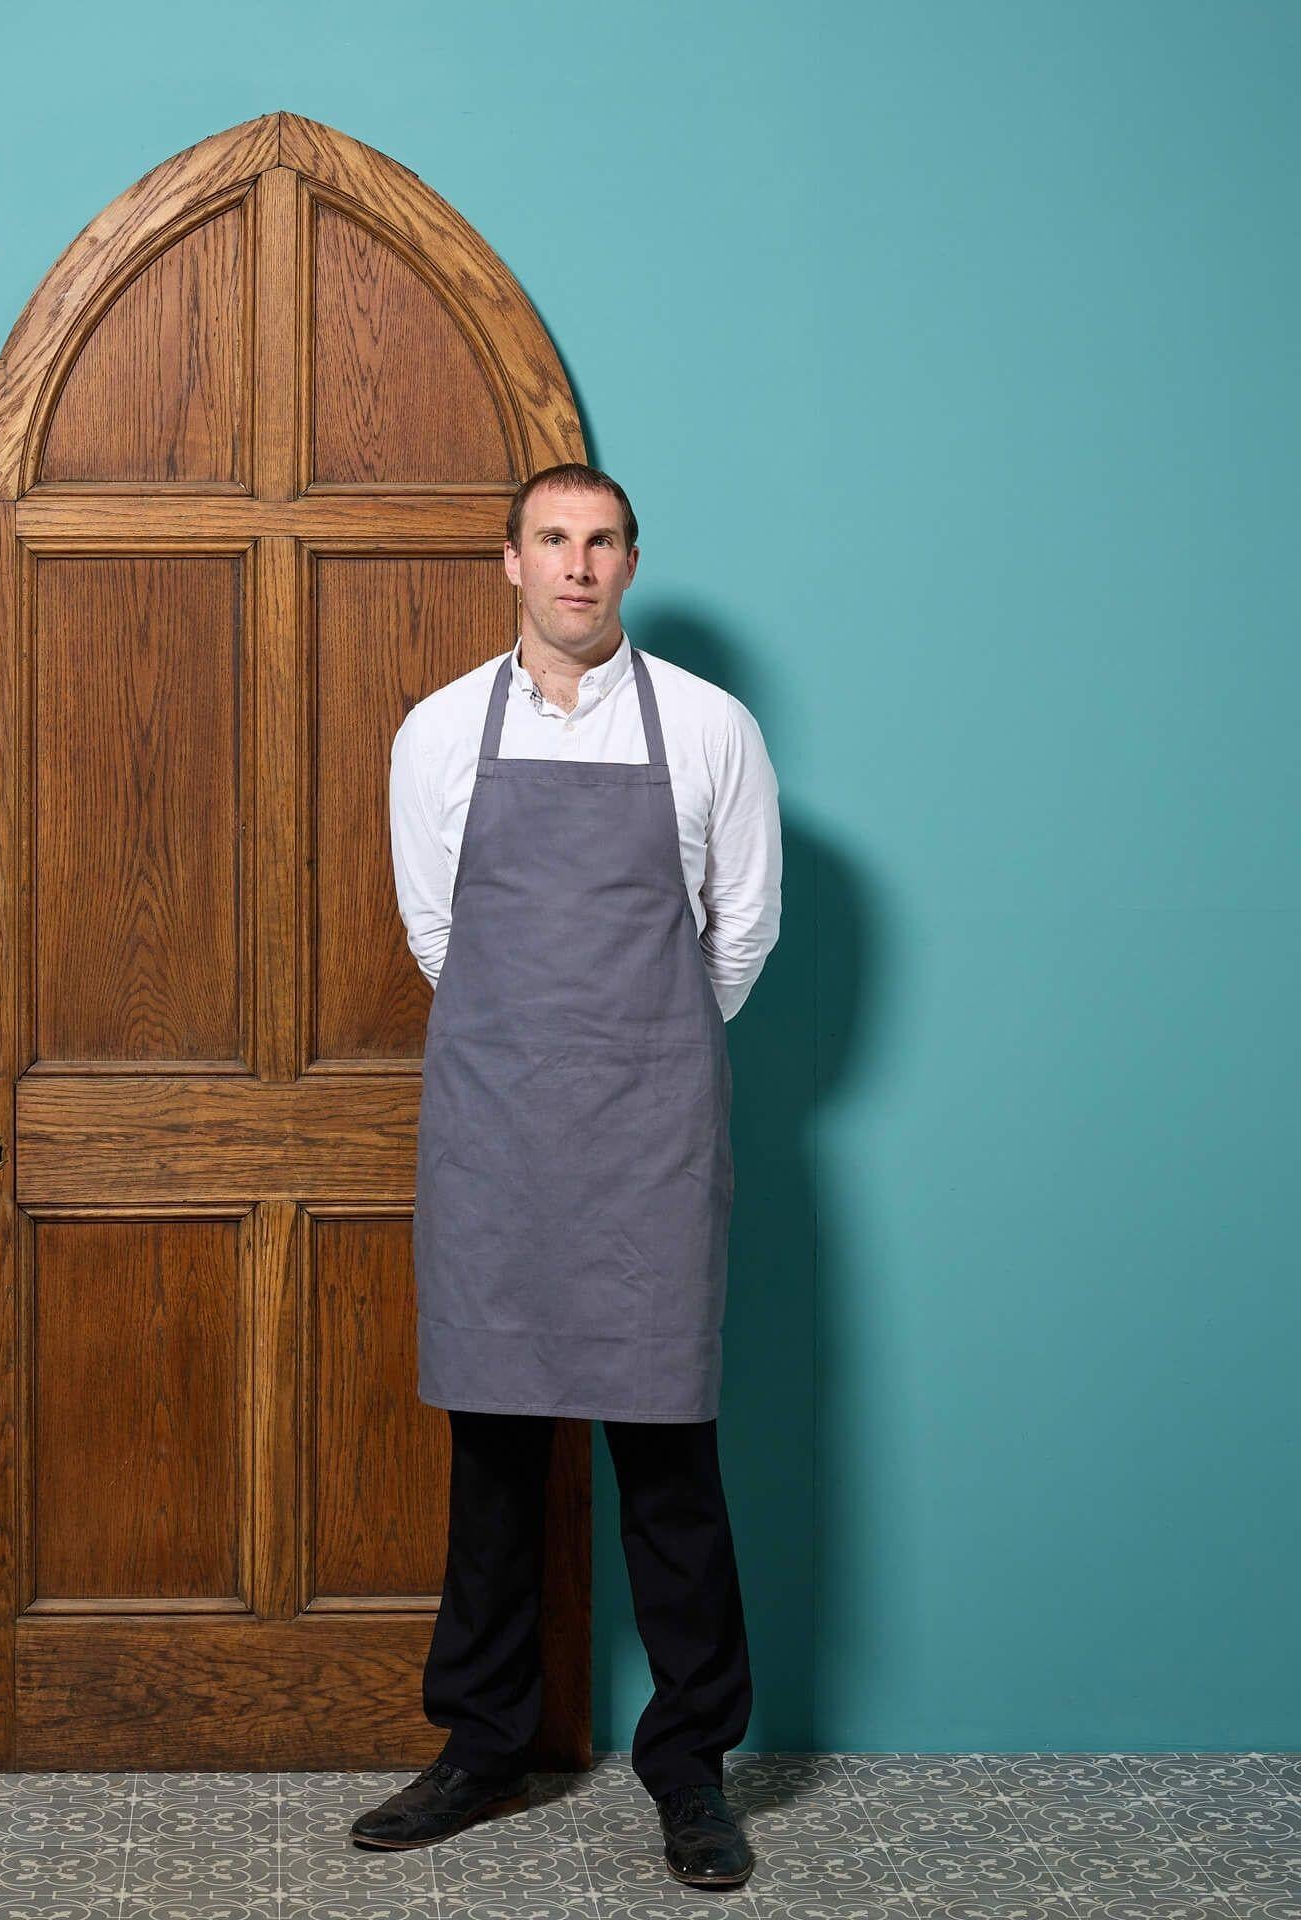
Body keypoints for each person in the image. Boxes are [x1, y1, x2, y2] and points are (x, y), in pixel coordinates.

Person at [350, 463, 783, 1891]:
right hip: (495, 1134)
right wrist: (538, 1056)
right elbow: (436, 933)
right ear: (512, 563)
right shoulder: (438, 732)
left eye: (600, 542)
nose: (577, 567)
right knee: (493, 1456)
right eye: (553, 540)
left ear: (631, 563)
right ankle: (481, 1746)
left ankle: (691, 1771)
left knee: (668, 1464)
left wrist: (632, 1057)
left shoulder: (713, 729)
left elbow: (738, 939)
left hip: (652, 1134)